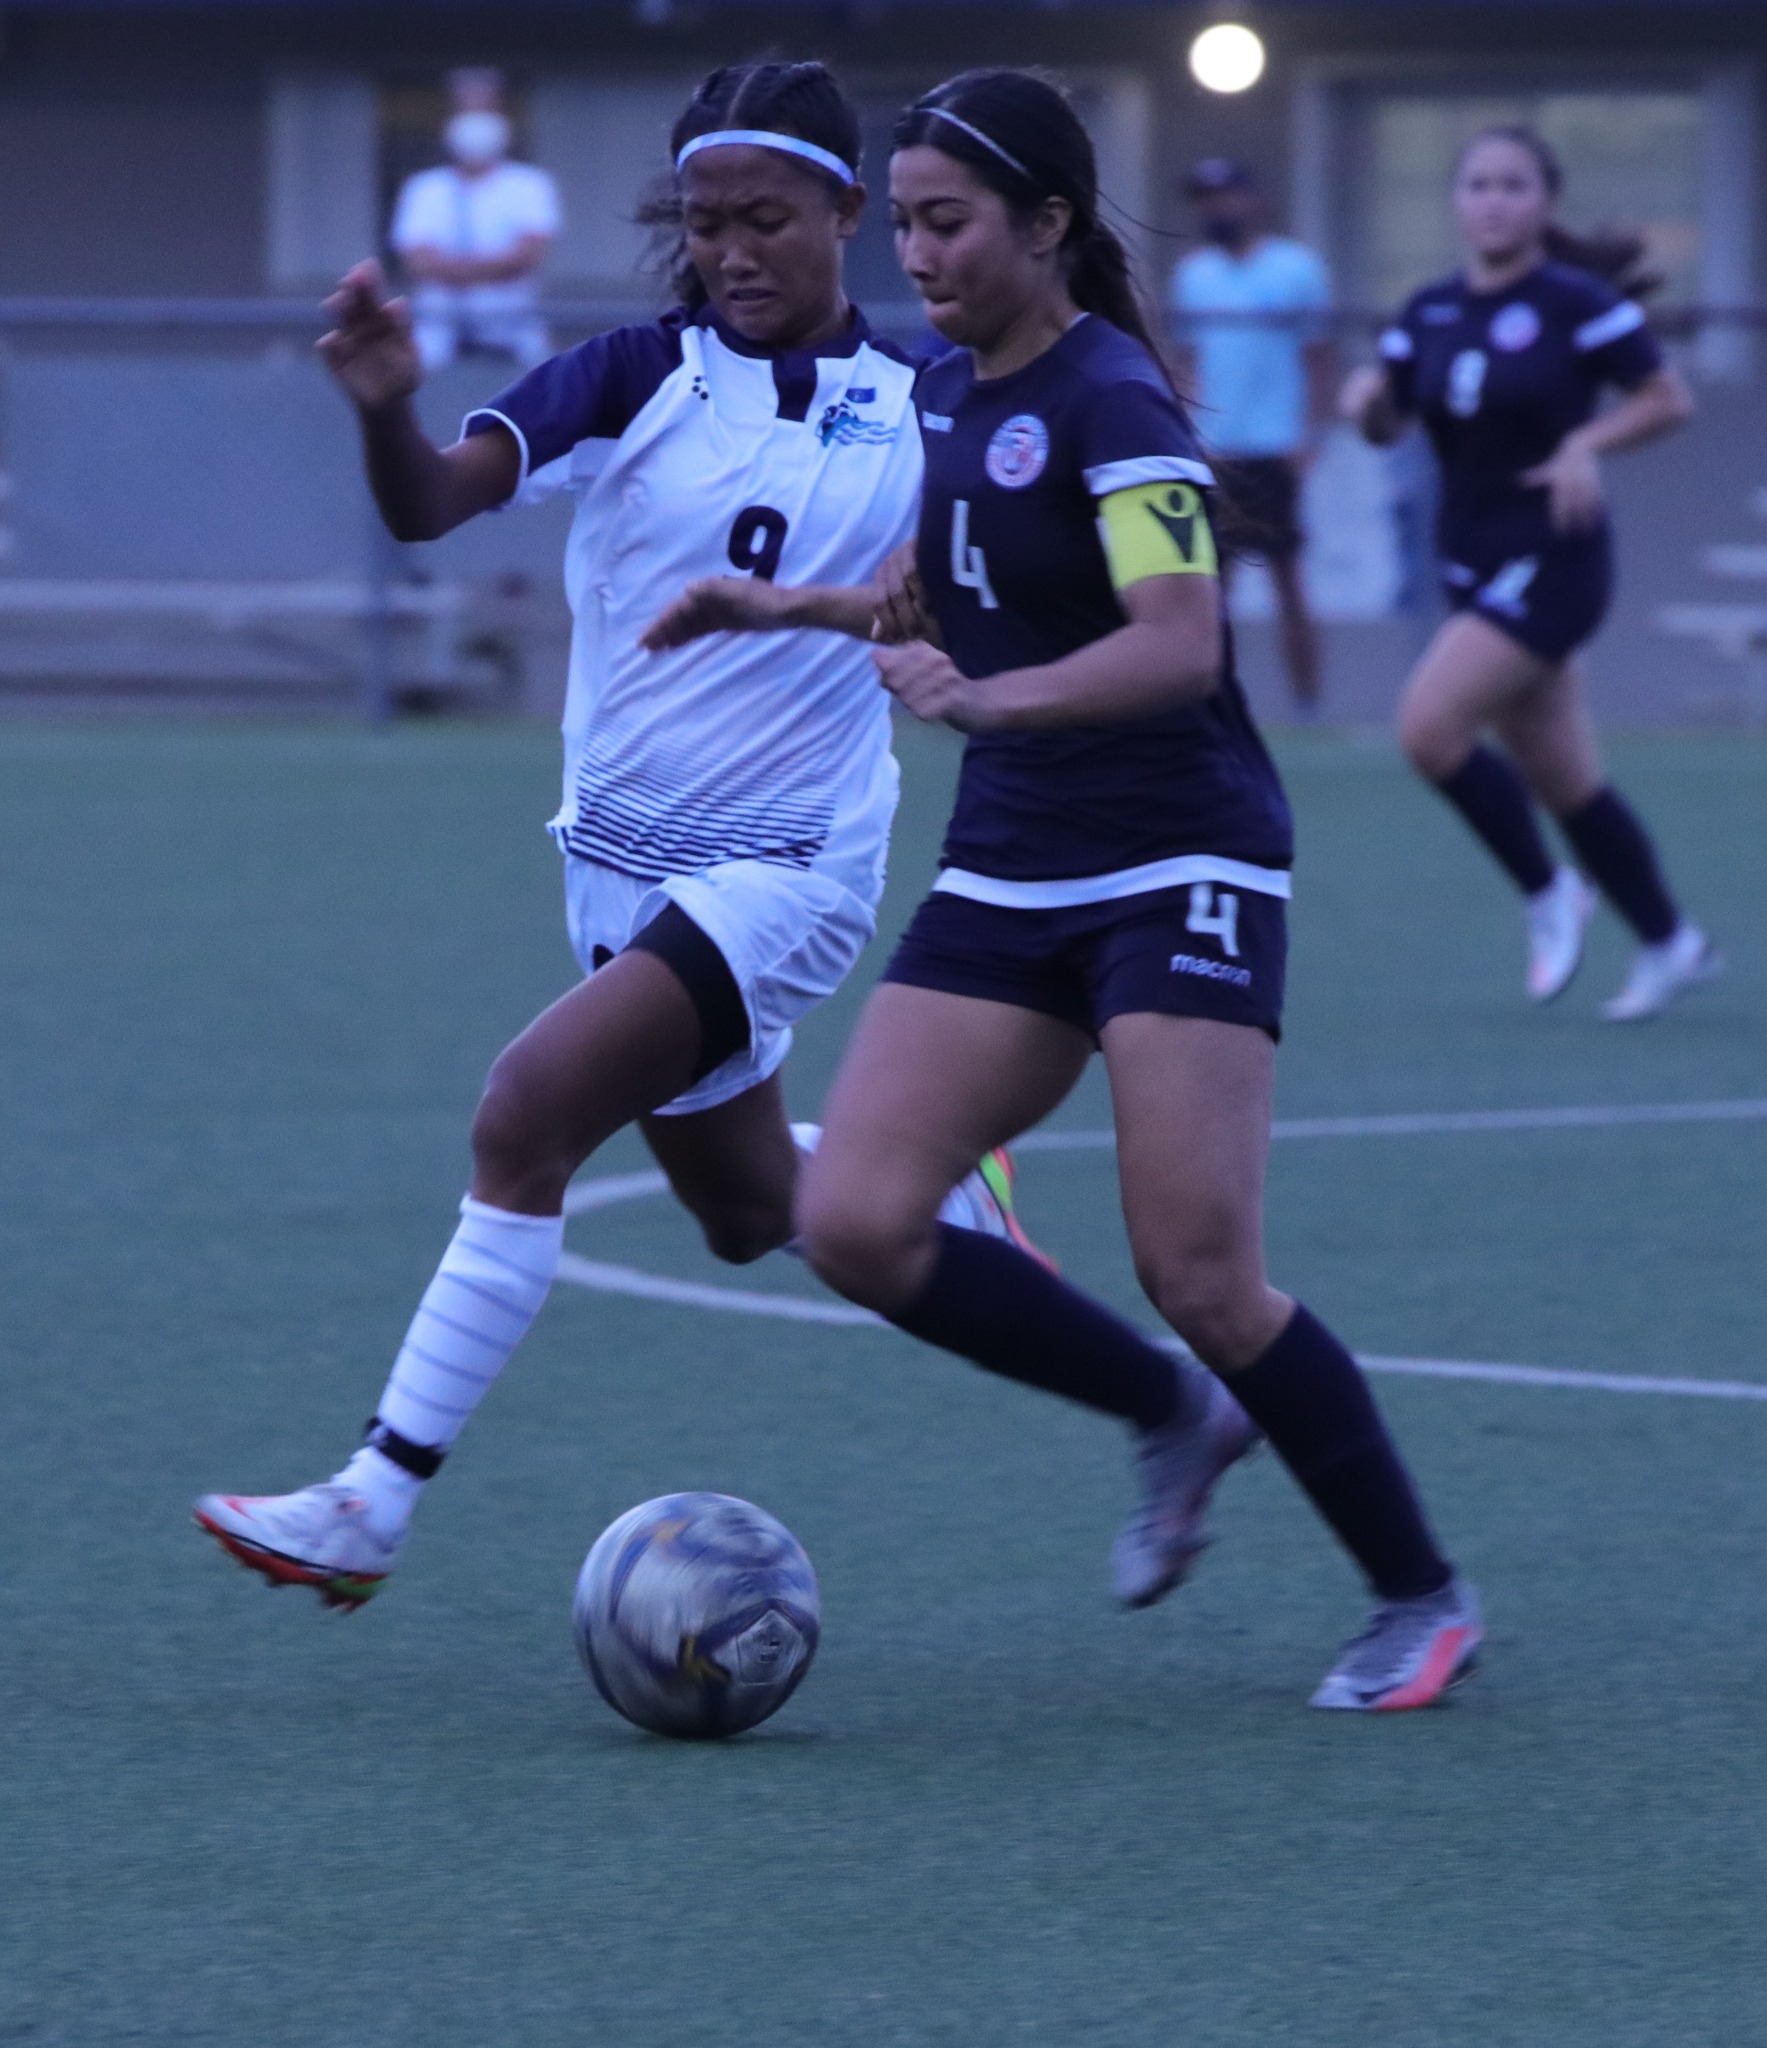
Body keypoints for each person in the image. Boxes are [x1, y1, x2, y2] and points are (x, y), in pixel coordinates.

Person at [656, 69, 1481, 1712]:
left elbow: (1177, 644)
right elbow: (930, 595)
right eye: (902, 227)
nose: (917, 256)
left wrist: (986, 702)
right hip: (1013, 861)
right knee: (853, 1221)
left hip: (1179, 861)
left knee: (1201, 1272)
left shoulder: (1117, 404)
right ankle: (1171, 1412)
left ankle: (1419, 1595)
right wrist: (777, 608)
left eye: (946, 223)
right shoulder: (946, 392)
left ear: (1047, 225)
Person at [194, 61, 1031, 1609]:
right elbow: (430, 503)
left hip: (789, 869)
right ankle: (920, 1179)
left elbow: (1010, 575)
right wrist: (385, 409)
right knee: (743, 1212)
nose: (731, 252)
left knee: (525, 1117)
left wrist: (954, 611)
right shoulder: (634, 375)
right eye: (704, 224)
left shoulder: (931, 399)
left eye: (765, 220)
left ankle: (372, 1501)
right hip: (616, 872)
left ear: (845, 214)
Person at [1340, 126, 1718, 1020]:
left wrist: (1586, 442)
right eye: (1477, 185)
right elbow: (1385, 426)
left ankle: (1549, 891)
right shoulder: (1429, 310)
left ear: (1545, 202)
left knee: (1428, 728)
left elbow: (1667, 399)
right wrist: (1365, 405)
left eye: (1513, 185)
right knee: (1562, 778)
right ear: (1456, 203)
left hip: (1555, 557)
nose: (1493, 201)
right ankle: (1671, 942)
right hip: (1469, 557)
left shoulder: (1574, 303)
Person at [1168, 158, 1334, 717]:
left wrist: (1311, 439)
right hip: (1215, 453)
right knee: (1211, 587)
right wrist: (1186, 435)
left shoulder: (1296, 269)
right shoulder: (1194, 275)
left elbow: (1320, 358)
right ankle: (1207, 700)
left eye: (1225, 196)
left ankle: (1307, 704)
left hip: (1273, 451)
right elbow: (1186, 363)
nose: (1216, 209)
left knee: (1289, 581)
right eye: (1206, 200)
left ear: (1254, 200)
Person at [391, 69, 562, 372]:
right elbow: (418, 261)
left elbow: (527, 256)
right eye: (466, 109)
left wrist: (452, 270)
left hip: (513, 323)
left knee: (543, 371)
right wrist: (493, 268)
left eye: (485, 108)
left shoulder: (531, 184)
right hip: (437, 326)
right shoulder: (425, 188)